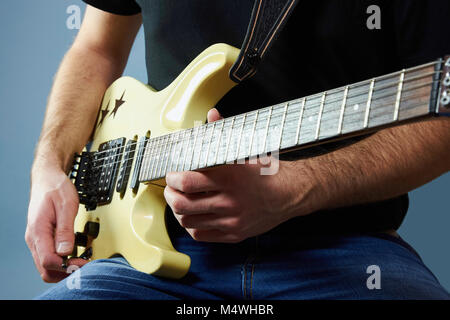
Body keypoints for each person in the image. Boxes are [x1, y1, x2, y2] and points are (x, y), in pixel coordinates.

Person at [27, 0, 450, 299]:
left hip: (348, 248)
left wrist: (297, 187)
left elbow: (443, 121)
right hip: (162, 253)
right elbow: (96, 46)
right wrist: (49, 167)